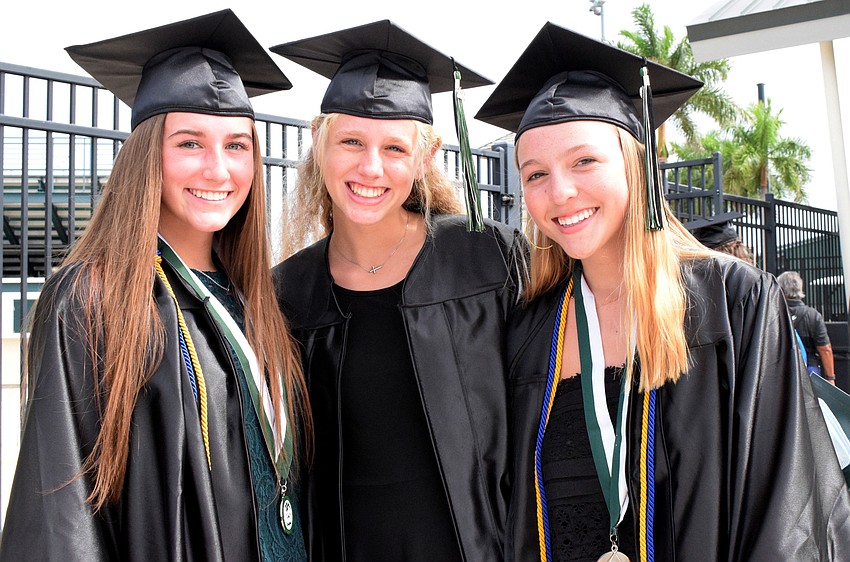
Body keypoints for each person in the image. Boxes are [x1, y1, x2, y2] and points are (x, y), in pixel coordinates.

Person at [475, 22, 850, 561]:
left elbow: (784, 505)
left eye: (584, 160)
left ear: (637, 165)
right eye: (534, 174)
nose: (559, 192)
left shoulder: (732, 302)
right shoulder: (531, 330)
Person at [0, 10, 311, 561]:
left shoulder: (260, 302)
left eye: (237, 145)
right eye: (190, 143)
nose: (219, 169)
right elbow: (61, 513)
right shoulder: (92, 298)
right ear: (147, 156)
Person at [269, 20, 526, 562]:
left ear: (427, 153)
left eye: (394, 147)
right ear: (319, 140)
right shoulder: (288, 294)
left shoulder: (488, 259)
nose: (371, 167)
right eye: (352, 141)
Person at [778, 270, 837, 384]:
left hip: (781, 370)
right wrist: (830, 378)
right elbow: (825, 349)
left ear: (780, 289)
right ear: (800, 287)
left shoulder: (775, 313)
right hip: (809, 370)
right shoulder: (813, 315)